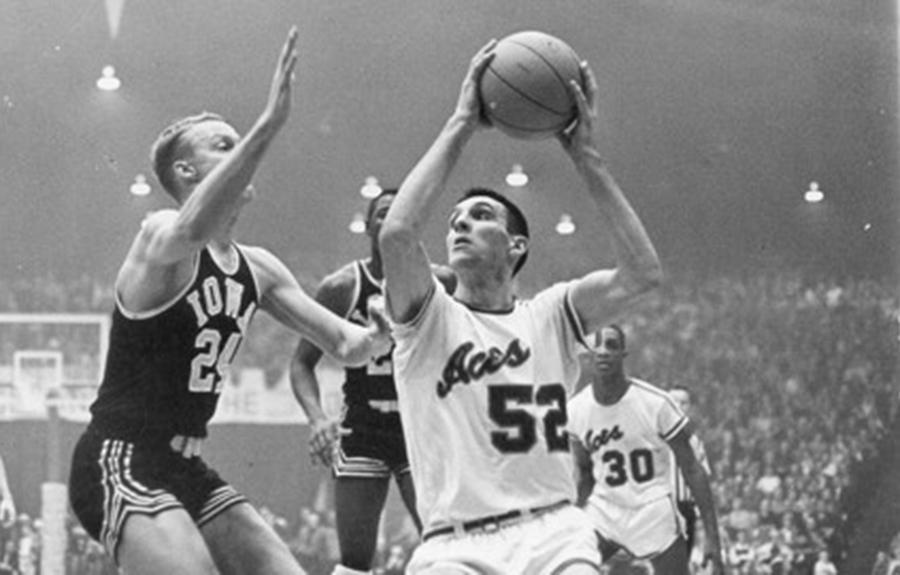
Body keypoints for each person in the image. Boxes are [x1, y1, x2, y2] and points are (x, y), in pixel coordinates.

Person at [67, 28, 391, 575]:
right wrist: (267, 128)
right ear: (186, 173)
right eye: (225, 145)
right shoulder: (160, 234)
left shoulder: (259, 268)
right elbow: (193, 227)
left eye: (241, 143)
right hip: (119, 457)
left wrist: (381, 333)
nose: (240, 152)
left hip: (186, 467)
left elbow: (345, 344)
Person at [378, 40, 663, 575]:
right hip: (455, 546)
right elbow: (396, 233)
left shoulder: (552, 314)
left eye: (480, 215)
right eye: (454, 218)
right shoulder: (427, 318)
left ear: (515, 248)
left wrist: (588, 159)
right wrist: (462, 122)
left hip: (554, 531)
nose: (459, 223)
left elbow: (643, 274)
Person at [289, 187, 455, 575]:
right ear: (368, 226)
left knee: (446, 548)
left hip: (423, 426)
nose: (391, 219)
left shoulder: (444, 281)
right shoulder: (342, 286)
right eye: (382, 212)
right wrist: (317, 418)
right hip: (363, 427)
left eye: (400, 211)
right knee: (355, 562)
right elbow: (301, 364)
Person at [567, 325, 725, 575]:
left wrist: (713, 538)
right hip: (605, 509)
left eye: (611, 345)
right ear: (588, 353)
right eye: (596, 345)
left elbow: (693, 469)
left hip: (651, 509)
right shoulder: (575, 410)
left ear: (623, 354)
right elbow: (584, 475)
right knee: (564, 566)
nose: (603, 351)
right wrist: (570, 522)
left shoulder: (656, 402)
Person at [668, 386, 713, 557]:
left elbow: (703, 484)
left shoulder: (694, 442)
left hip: (685, 509)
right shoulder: (650, 439)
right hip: (658, 509)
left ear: (690, 408)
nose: (678, 406)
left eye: (684, 403)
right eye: (673, 402)